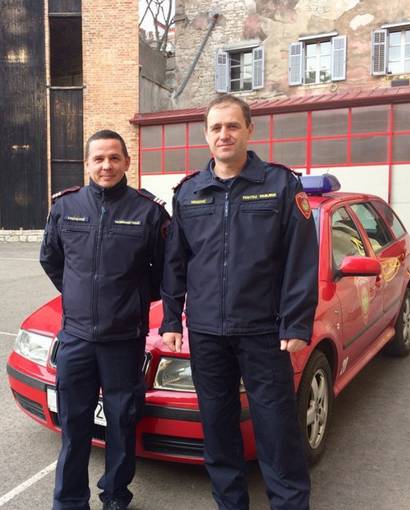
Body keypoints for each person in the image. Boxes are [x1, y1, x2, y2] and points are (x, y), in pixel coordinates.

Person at [160, 94, 318, 510]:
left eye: (232, 126)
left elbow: (301, 260)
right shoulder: (189, 192)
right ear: (206, 136)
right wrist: (172, 320)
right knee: (218, 429)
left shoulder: (281, 185)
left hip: (265, 332)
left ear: (250, 129)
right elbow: (176, 262)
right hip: (208, 333)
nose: (224, 134)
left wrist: (297, 324)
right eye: (216, 128)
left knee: (276, 430)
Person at [40, 130, 170, 510]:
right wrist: (81, 294)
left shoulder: (149, 212)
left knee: (121, 423)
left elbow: (165, 274)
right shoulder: (65, 207)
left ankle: (115, 496)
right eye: (98, 158)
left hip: (123, 341)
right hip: (76, 340)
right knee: (74, 426)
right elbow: (52, 260)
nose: (106, 165)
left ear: (127, 161)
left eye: (114, 157)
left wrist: (126, 300)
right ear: (87, 164)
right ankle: (69, 501)